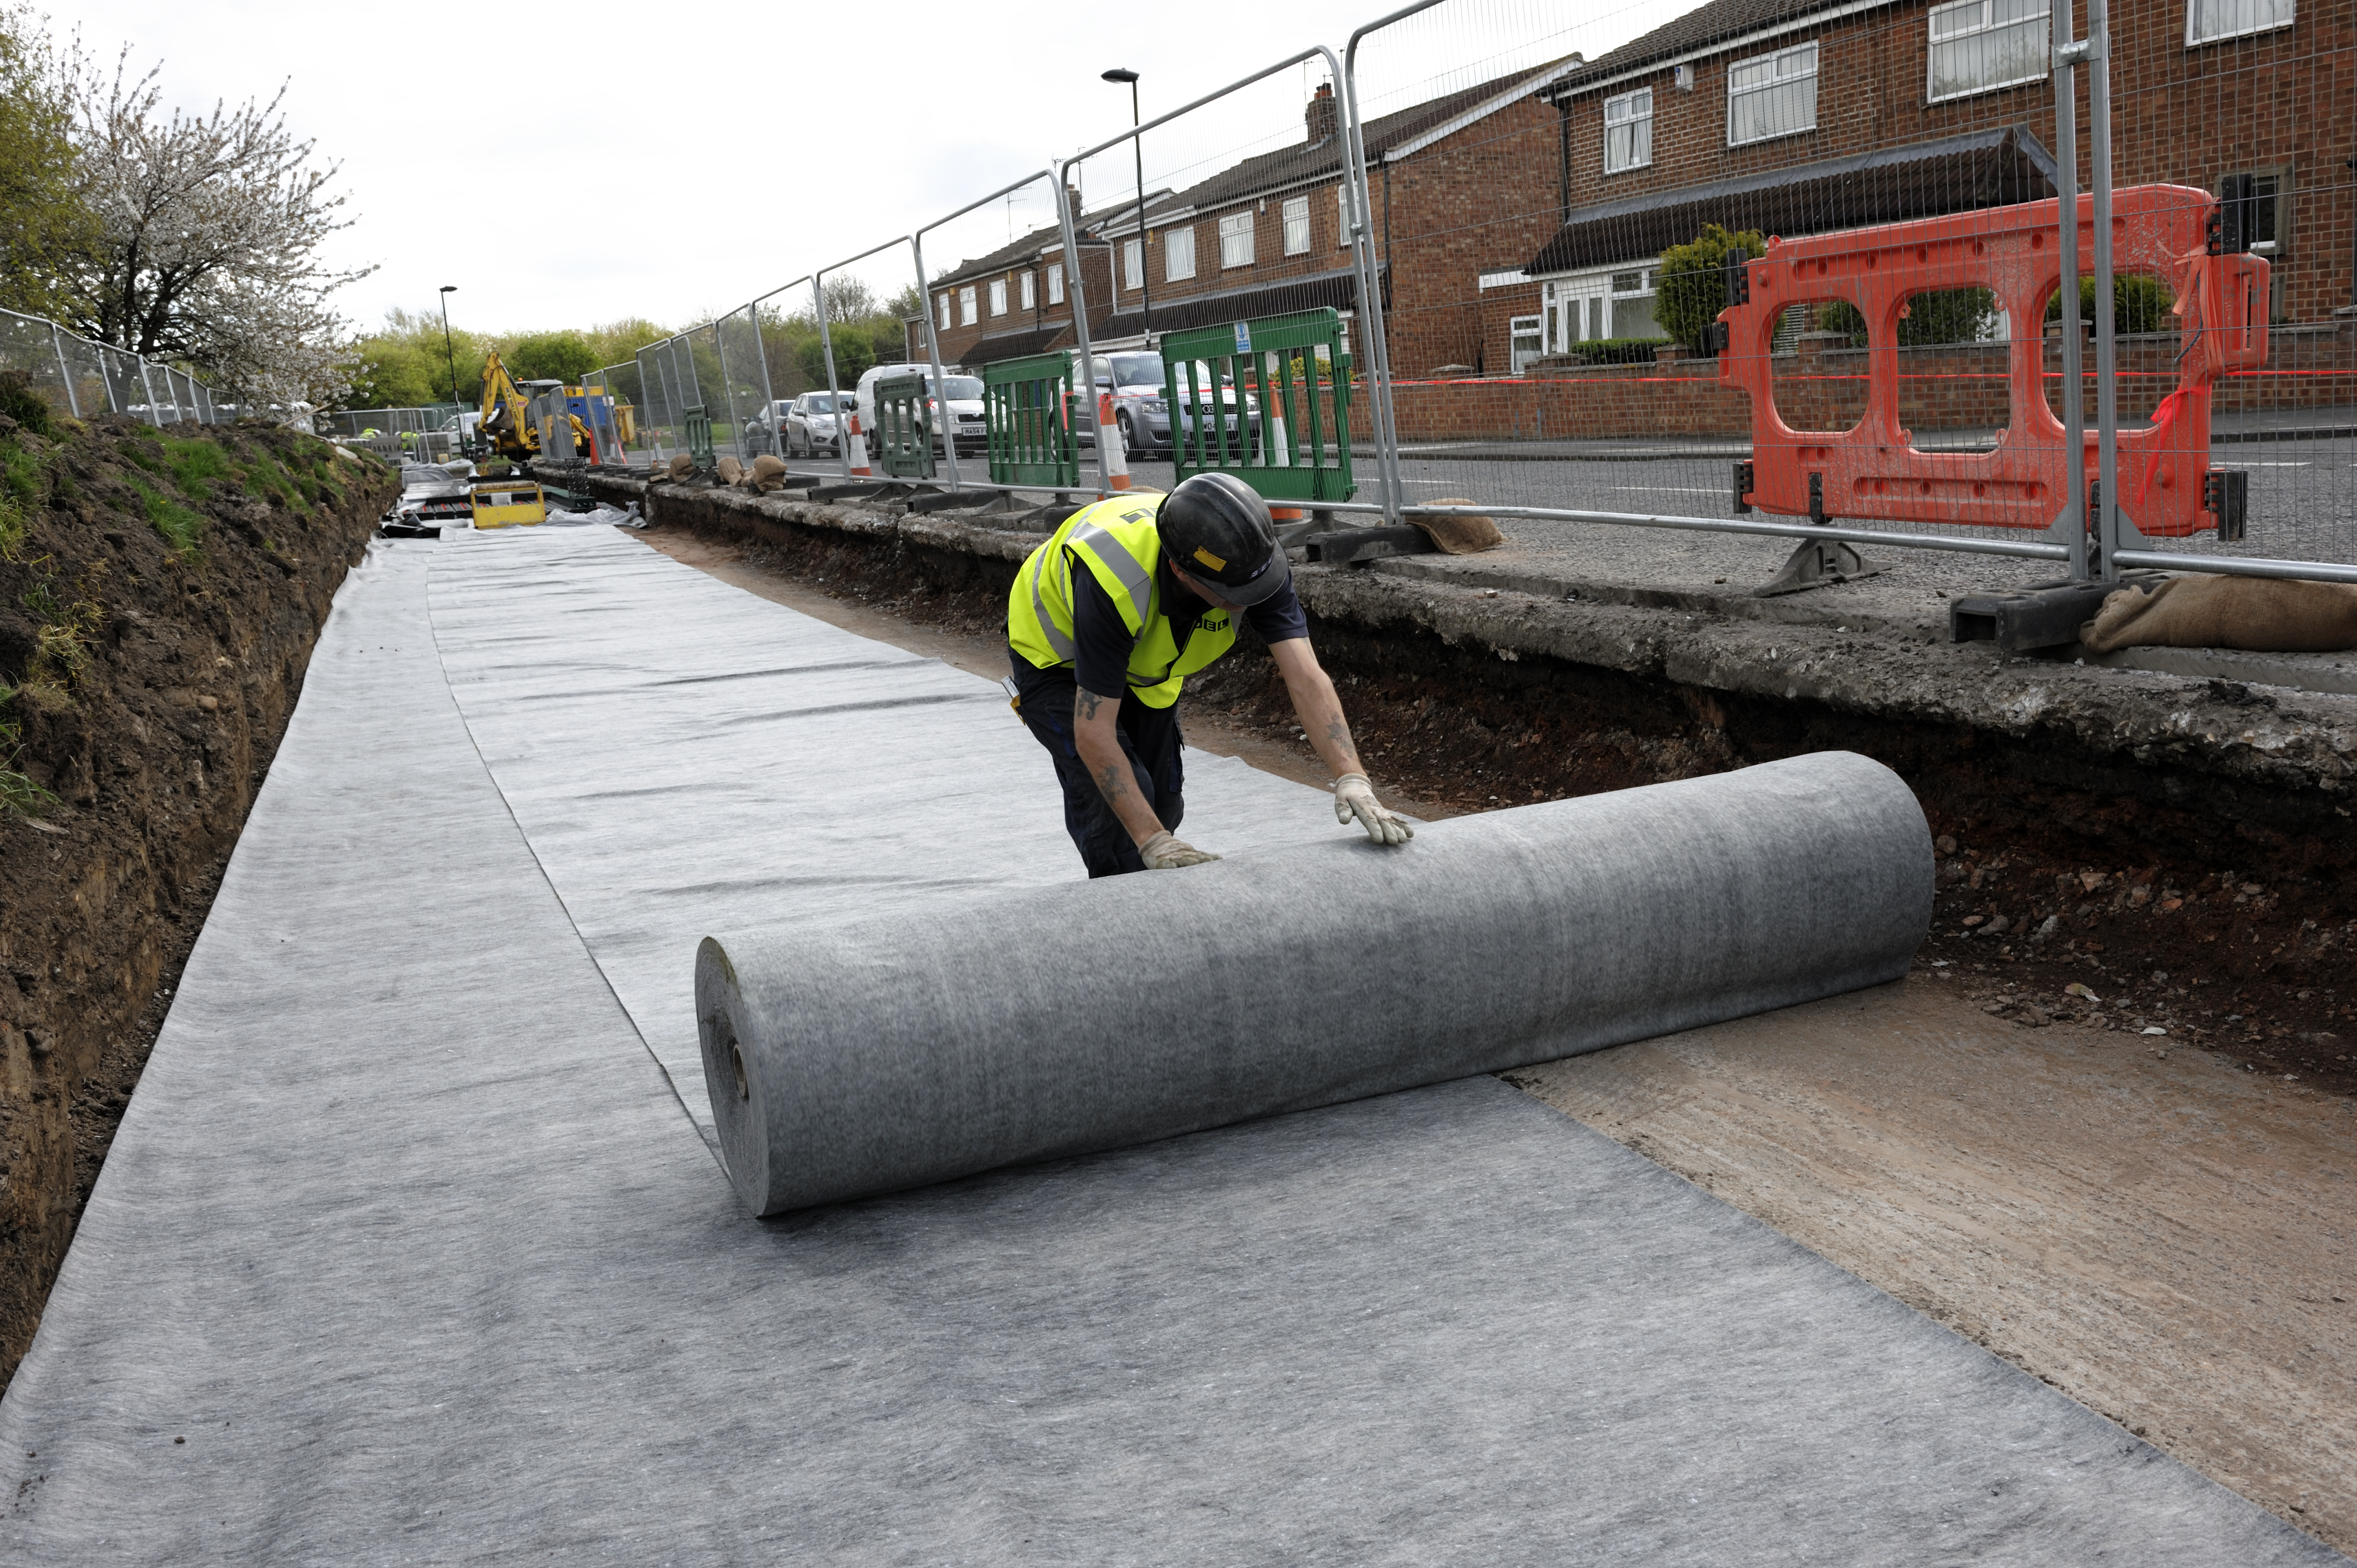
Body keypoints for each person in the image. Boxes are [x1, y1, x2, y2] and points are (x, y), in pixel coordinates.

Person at [1006, 471, 1413, 876]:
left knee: (1163, 804)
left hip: (1148, 667)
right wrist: (1152, 841)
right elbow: (1095, 733)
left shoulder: (1252, 564)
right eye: (1233, 596)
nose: (1246, 603)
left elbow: (1306, 677)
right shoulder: (1114, 584)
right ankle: (1123, 916)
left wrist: (1352, 776)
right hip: (1058, 660)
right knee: (1119, 820)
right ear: (1181, 572)